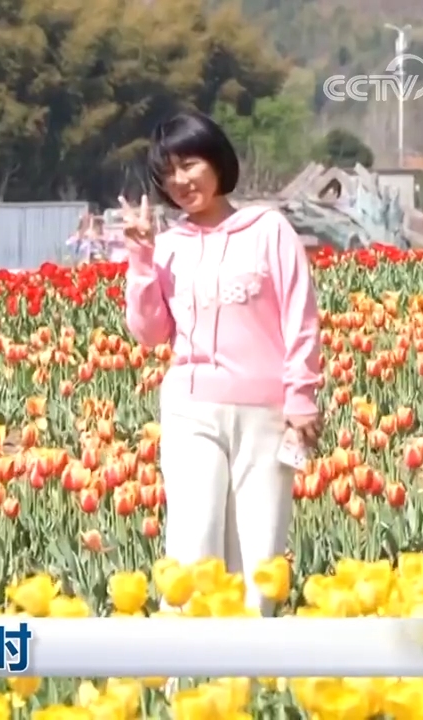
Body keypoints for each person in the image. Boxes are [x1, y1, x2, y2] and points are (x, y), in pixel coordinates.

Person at [119, 111, 322, 616]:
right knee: (193, 545)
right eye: (168, 173)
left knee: (260, 554)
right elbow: (149, 333)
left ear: (216, 160)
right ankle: (185, 662)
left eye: (190, 164)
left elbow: (300, 315)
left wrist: (301, 397)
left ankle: (249, 662)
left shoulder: (268, 230)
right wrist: (140, 259)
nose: (181, 181)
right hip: (191, 409)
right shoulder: (167, 247)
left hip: (267, 413)